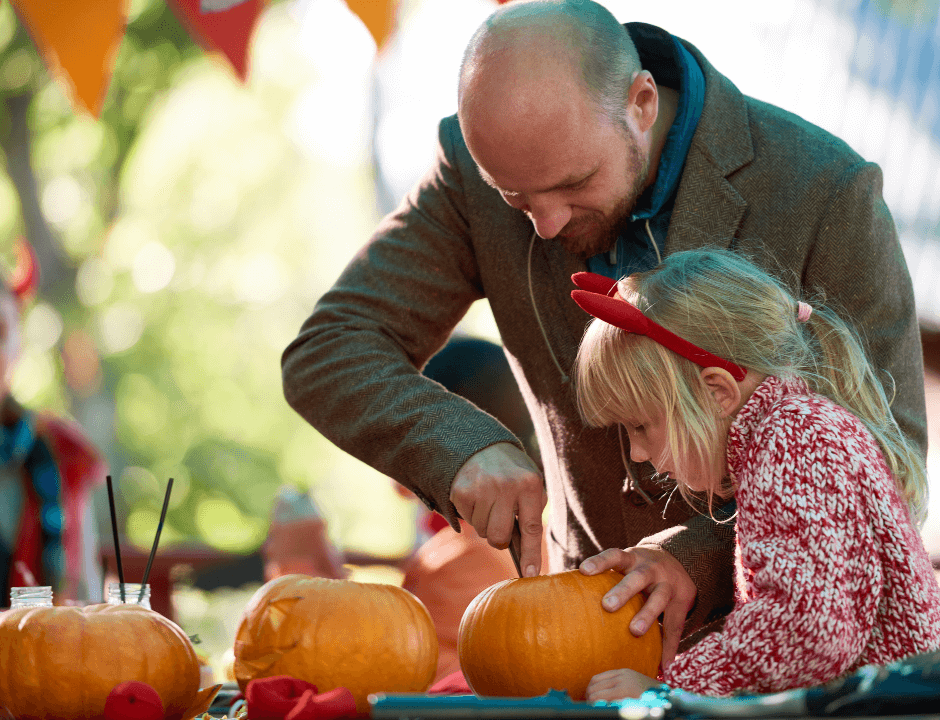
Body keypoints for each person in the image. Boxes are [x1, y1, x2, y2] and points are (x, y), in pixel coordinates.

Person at [281, 0, 927, 663]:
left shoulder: (824, 188)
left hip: (782, 669)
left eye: (574, 184)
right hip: (576, 648)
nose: (547, 227)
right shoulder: (471, 171)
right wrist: (462, 447)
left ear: (642, 102)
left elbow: (888, 461)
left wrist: (694, 560)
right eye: (517, 200)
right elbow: (330, 350)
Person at [570, 248, 940, 699]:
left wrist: (670, 693)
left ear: (718, 392)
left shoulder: (793, 441)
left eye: (641, 426)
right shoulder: (794, 432)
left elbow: (806, 634)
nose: (639, 454)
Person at [0, 241, 107, 605]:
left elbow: (87, 594)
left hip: (39, 651)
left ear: (18, 347)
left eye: (0, 333)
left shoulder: (62, 452)